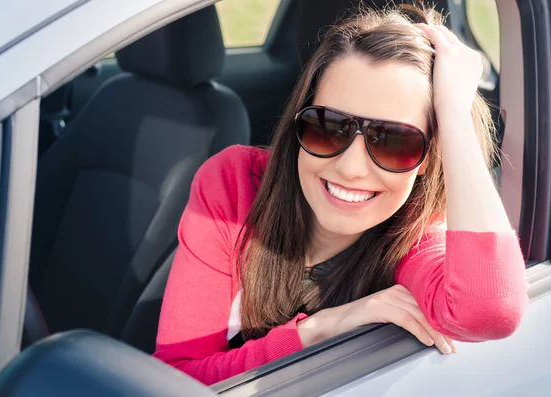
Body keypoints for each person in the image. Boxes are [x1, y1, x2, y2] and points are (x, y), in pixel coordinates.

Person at [153, 4, 529, 386]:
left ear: (429, 159)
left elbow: (492, 310)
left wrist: (453, 114)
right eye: (328, 127)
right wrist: (317, 331)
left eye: (394, 141)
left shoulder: (413, 239)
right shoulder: (235, 185)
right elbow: (176, 377)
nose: (350, 167)